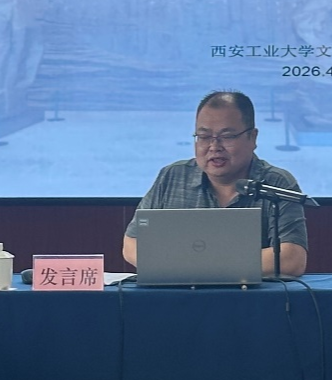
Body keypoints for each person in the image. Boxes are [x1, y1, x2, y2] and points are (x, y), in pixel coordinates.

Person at [122, 91, 309, 278]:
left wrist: (193, 264)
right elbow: (132, 244)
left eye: (227, 136)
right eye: (204, 137)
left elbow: (291, 259)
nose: (214, 147)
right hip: (180, 293)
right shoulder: (173, 177)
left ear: (253, 138)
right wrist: (210, 264)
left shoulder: (276, 183)